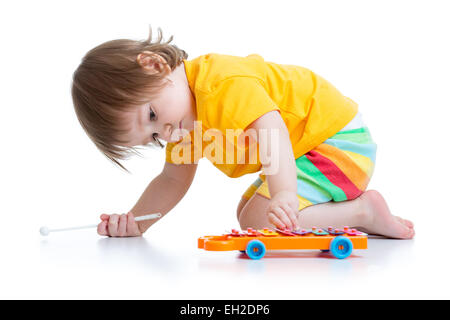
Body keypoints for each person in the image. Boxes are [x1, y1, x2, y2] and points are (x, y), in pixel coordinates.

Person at [71, 27, 414, 239]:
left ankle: (363, 213)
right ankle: (345, 212)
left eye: (151, 115)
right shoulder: (182, 126)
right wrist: (137, 222)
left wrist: (284, 194)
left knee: (260, 218)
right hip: (305, 150)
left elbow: (273, 132)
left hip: (337, 142)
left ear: (155, 65)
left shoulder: (221, 83)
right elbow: (172, 180)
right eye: (153, 138)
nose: (165, 133)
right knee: (248, 214)